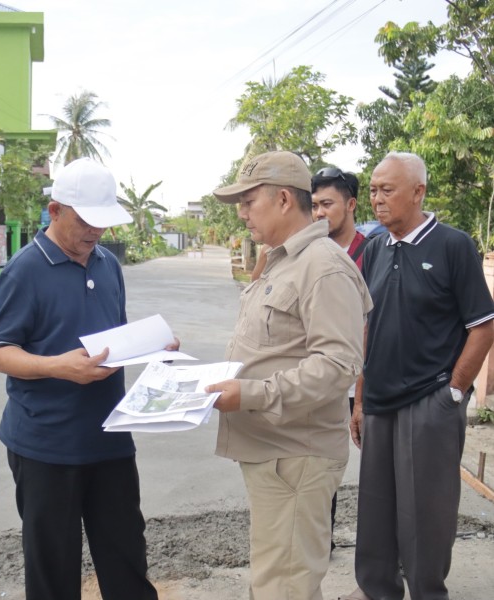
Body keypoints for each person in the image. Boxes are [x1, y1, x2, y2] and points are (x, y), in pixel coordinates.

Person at [0, 157, 164, 600]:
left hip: (109, 438)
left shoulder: (107, 265)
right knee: (53, 568)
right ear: (55, 211)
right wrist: (57, 366)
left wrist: (152, 345)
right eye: (86, 221)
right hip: (47, 445)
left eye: (102, 224)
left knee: (126, 556)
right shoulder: (24, 270)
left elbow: (112, 335)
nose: (95, 232)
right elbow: (0, 352)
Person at [205, 150, 373, 599]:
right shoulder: (283, 260)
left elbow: (339, 366)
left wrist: (252, 393)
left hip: (296, 458)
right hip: (276, 455)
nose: (241, 215)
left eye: (247, 202)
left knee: (285, 587)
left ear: (282, 199)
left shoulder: (323, 267)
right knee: (279, 580)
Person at [341, 152, 494, 600]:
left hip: (429, 400)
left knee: (424, 514)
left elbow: (482, 325)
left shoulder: (452, 245)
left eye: (387, 189)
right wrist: (360, 398)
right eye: (372, 189)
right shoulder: (373, 248)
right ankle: (378, 590)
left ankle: (427, 592)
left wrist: (455, 391)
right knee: (376, 509)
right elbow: (369, 327)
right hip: (380, 401)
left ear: (418, 192)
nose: (376, 198)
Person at [310, 166, 366, 551]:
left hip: (360, 382)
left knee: (375, 471)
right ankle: (321, 543)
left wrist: (361, 399)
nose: (318, 213)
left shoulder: (372, 252)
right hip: (321, 381)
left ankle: (385, 555)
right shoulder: (308, 252)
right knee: (318, 467)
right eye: (313, 205)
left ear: (350, 205)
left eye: (327, 204)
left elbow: (370, 329)